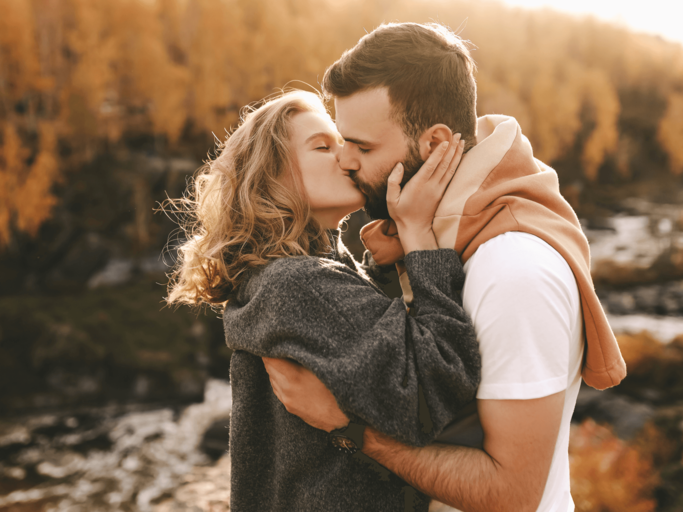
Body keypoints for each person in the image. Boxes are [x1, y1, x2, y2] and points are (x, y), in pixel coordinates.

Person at [263, 22, 627, 512]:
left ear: (435, 145)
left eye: (363, 147)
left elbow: (510, 494)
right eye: (340, 142)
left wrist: (347, 428)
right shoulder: (446, 242)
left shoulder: (512, 272)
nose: (345, 161)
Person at [164, 89, 482, 511]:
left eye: (347, 144)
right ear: (272, 175)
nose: (347, 158)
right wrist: (421, 239)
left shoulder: (280, 278)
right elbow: (441, 387)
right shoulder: (300, 285)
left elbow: (367, 361)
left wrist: (391, 268)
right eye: (323, 146)